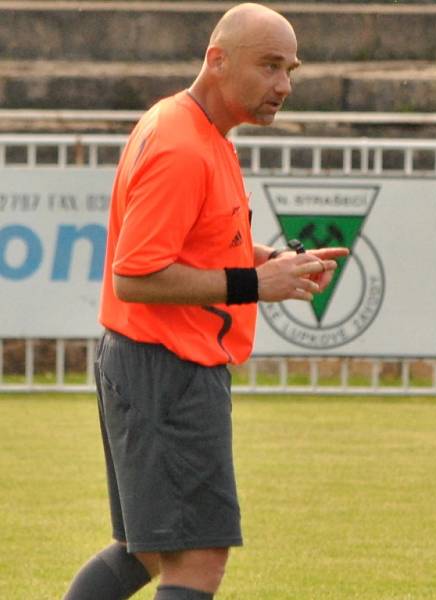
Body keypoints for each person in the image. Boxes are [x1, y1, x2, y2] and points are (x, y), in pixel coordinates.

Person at [64, 4, 348, 599]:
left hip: (156, 365)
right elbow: (135, 276)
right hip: (167, 368)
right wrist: (253, 286)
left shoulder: (197, 130)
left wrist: (265, 260)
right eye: (270, 66)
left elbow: (198, 244)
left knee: (146, 550)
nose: (284, 86)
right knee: (197, 559)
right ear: (216, 60)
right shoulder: (182, 145)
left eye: (290, 69)